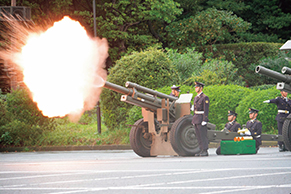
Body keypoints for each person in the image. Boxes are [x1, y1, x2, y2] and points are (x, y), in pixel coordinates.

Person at [191, 81, 209, 156]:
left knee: (203, 135)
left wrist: (205, 119)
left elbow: (206, 109)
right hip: (196, 118)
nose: (196, 88)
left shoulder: (204, 97)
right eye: (195, 87)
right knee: (198, 135)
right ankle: (201, 149)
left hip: (201, 118)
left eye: (197, 87)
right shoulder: (196, 97)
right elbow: (195, 109)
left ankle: (205, 150)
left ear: (201, 88)